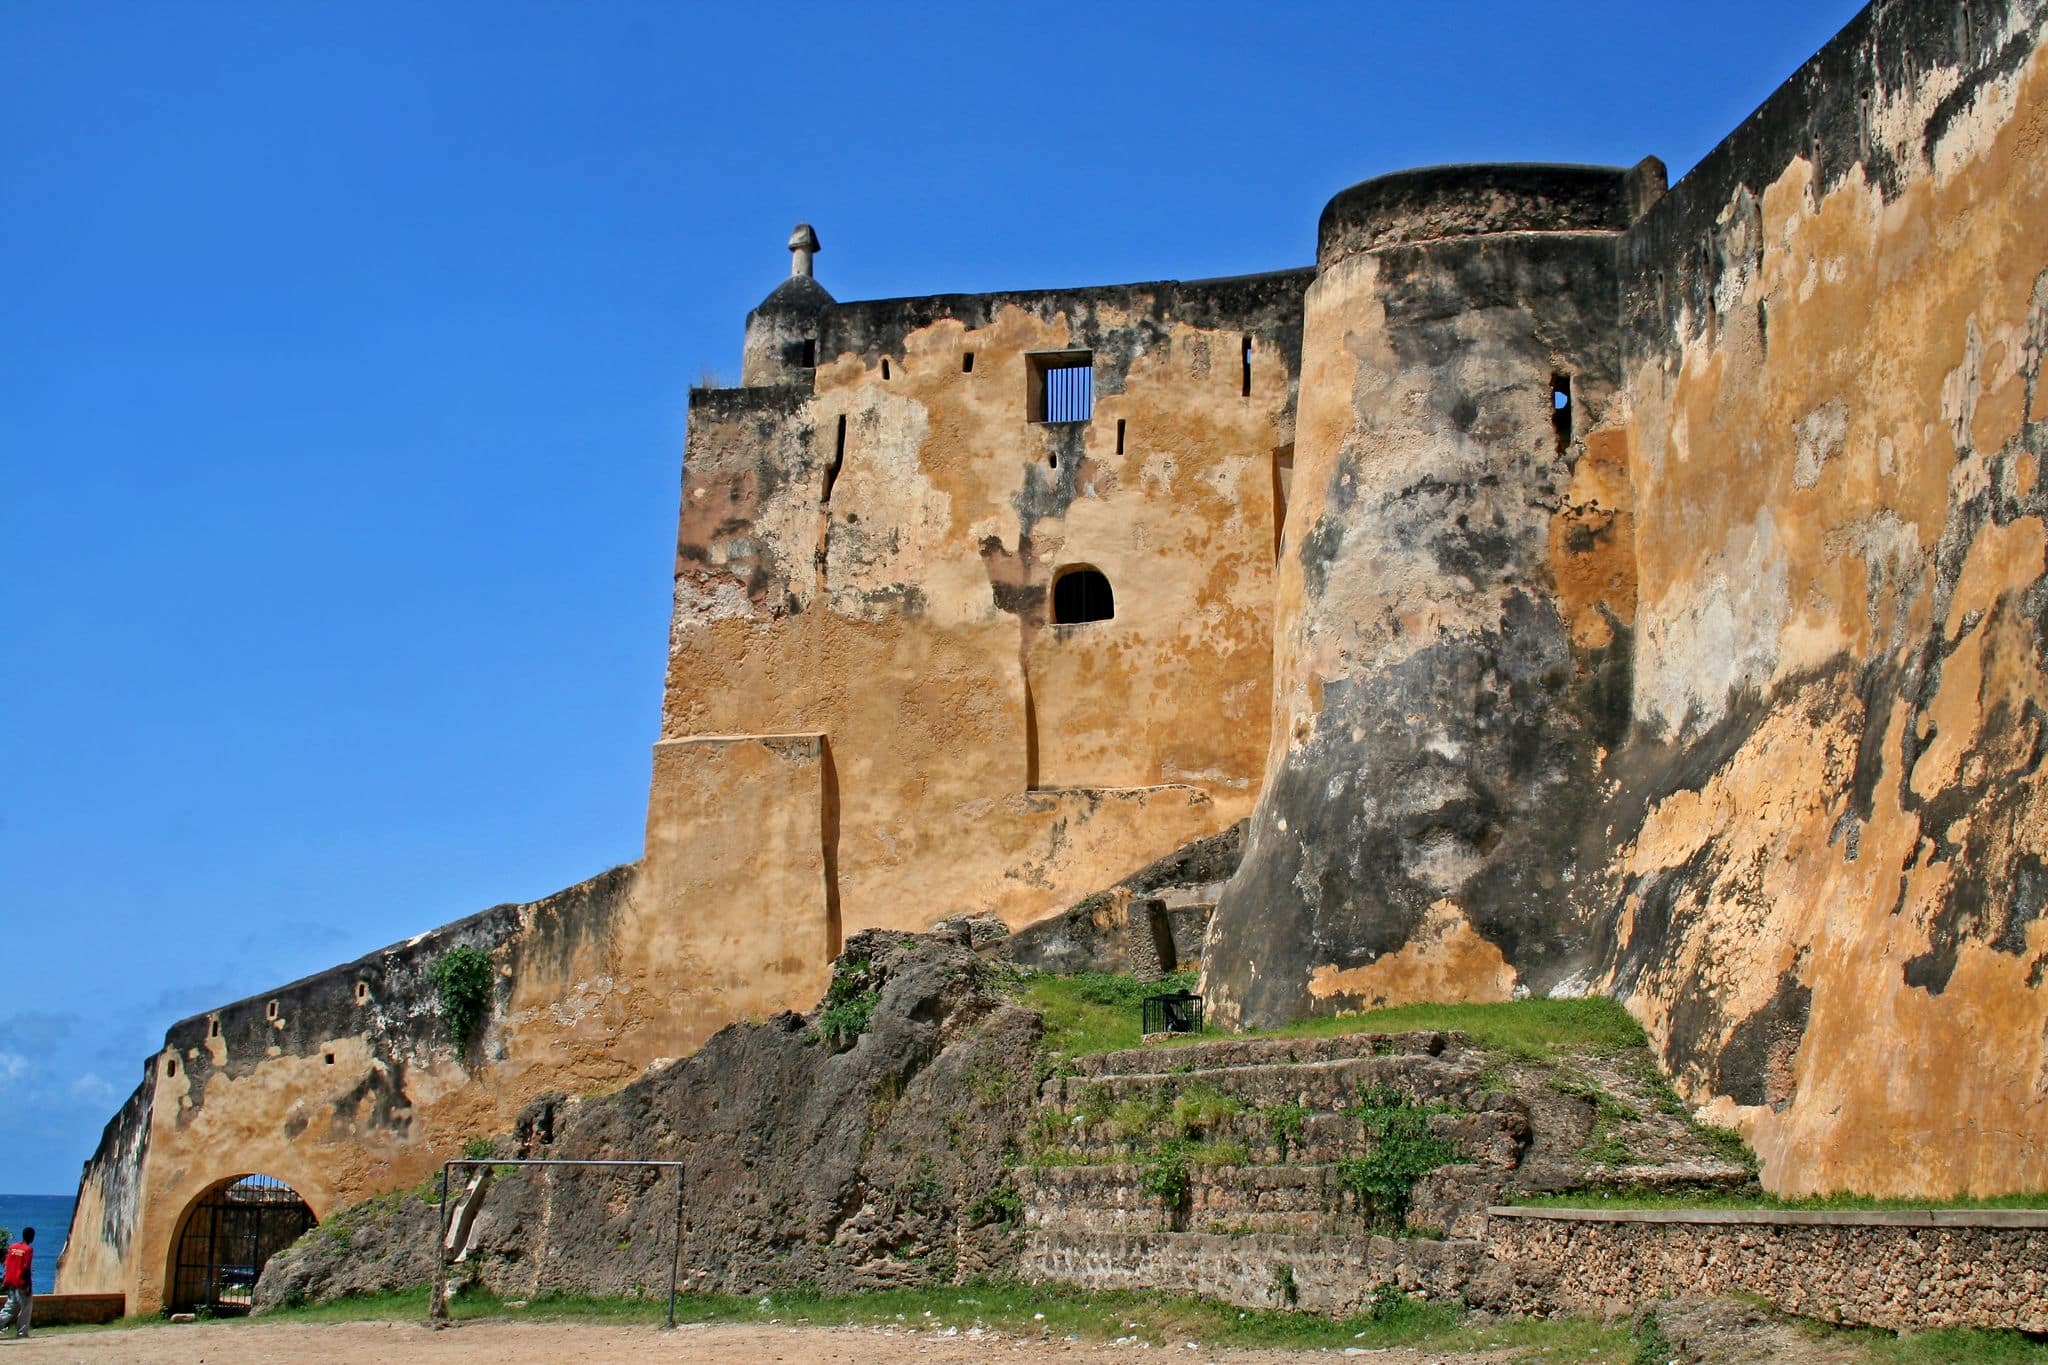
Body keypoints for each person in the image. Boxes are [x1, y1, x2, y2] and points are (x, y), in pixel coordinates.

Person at [0, 1227, 33, 1338]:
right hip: (21, 1283)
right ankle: (22, 1333)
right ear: (31, 1237)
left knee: (9, 1308)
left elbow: (7, 1264)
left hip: (11, 1282)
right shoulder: (28, 1250)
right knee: (26, 1307)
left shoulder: (13, 1247)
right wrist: (28, 1285)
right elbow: (26, 1269)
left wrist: (5, 1282)